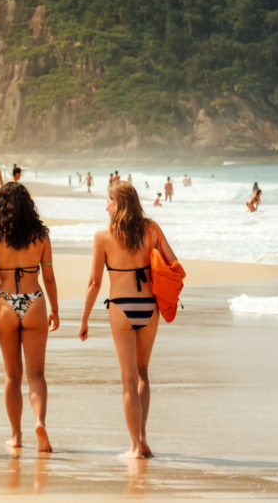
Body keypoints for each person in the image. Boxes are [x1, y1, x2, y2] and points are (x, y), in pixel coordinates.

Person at [79, 181, 178, 459]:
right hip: (149, 307)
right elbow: (174, 263)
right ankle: (143, 437)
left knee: (128, 380)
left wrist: (84, 320)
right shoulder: (152, 229)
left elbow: (94, 283)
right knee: (143, 373)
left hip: (121, 308)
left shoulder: (103, 236)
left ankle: (135, 446)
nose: (106, 206)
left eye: (109, 201)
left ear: (118, 203)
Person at [0, 183, 59, 452]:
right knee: (36, 374)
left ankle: (16, 435)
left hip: (5, 303)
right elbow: (48, 277)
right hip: (34, 301)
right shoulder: (41, 236)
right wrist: (55, 309)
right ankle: (39, 422)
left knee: (11, 376)